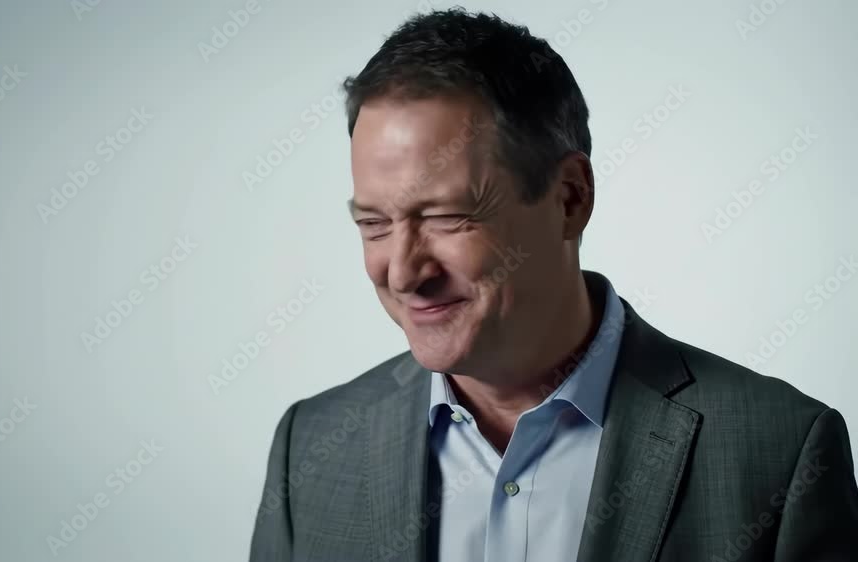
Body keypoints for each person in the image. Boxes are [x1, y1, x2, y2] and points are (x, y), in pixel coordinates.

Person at [248, 7, 858, 561]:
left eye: (446, 217)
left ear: (569, 198)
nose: (404, 272)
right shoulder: (310, 447)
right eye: (374, 224)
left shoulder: (781, 453)